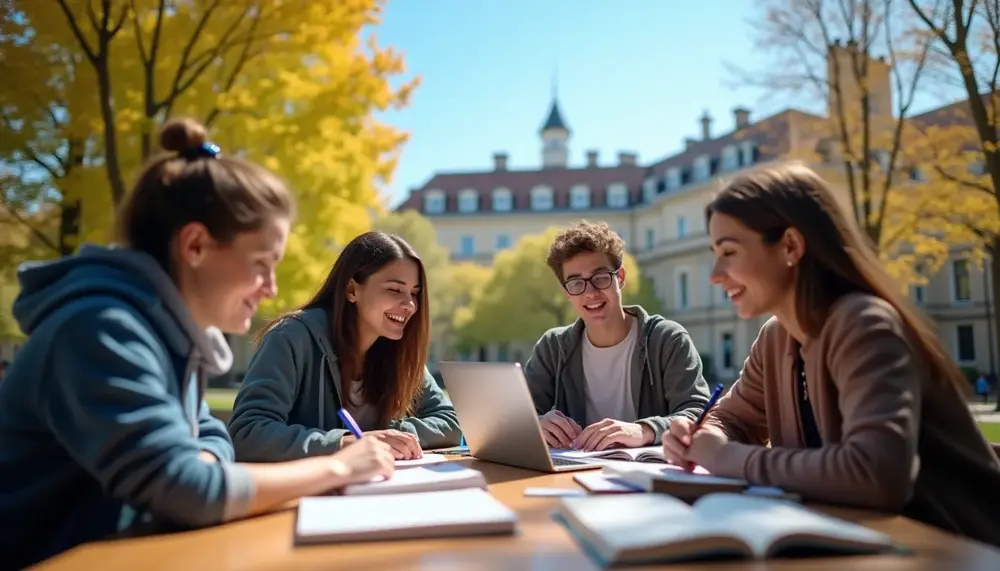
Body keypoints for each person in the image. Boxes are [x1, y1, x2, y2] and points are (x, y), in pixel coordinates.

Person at [0, 118, 395, 568]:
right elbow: (187, 491)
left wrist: (199, 463)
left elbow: (207, 432)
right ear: (195, 245)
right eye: (262, 263)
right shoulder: (100, 329)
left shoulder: (165, 333)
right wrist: (339, 466)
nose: (270, 288)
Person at [661, 162, 1000, 547]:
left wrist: (723, 457)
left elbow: (876, 475)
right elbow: (730, 418)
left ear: (790, 245)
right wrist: (701, 434)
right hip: (864, 544)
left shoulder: (863, 323)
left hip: (961, 551)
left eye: (729, 252)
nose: (715, 274)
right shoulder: (775, 337)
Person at [228, 231, 462, 462]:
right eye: (394, 289)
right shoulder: (291, 337)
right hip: (304, 494)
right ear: (352, 290)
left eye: (414, 293)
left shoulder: (396, 349)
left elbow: (451, 422)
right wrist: (344, 441)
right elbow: (247, 433)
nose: (410, 304)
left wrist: (390, 435)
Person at [523, 220, 711, 452]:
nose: (590, 292)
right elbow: (520, 415)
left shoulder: (667, 339)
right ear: (567, 293)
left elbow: (698, 413)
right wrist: (535, 424)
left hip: (646, 475)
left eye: (600, 277)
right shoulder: (553, 347)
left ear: (620, 277)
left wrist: (645, 430)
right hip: (572, 473)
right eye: (576, 283)